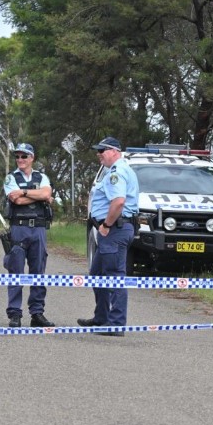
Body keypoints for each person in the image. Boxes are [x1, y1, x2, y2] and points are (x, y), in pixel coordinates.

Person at [78, 136, 139, 336]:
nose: (98, 154)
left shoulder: (117, 172)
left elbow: (119, 202)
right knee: (97, 275)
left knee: (114, 277)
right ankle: (102, 317)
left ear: (114, 151)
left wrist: (106, 225)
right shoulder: (117, 171)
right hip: (114, 230)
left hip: (114, 230)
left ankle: (116, 323)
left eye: (102, 150)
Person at [3, 143, 55, 328]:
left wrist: (24, 192)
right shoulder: (11, 178)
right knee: (16, 272)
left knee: (38, 272)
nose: (20, 160)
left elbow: (46, 193)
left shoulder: (42, 177)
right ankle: (15, 314)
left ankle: (37, 313)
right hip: (19, 228)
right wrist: (38, 195)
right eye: (17, 156)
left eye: (24, 156)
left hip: (39, 229)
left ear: (32, 158)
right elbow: (14, 199)